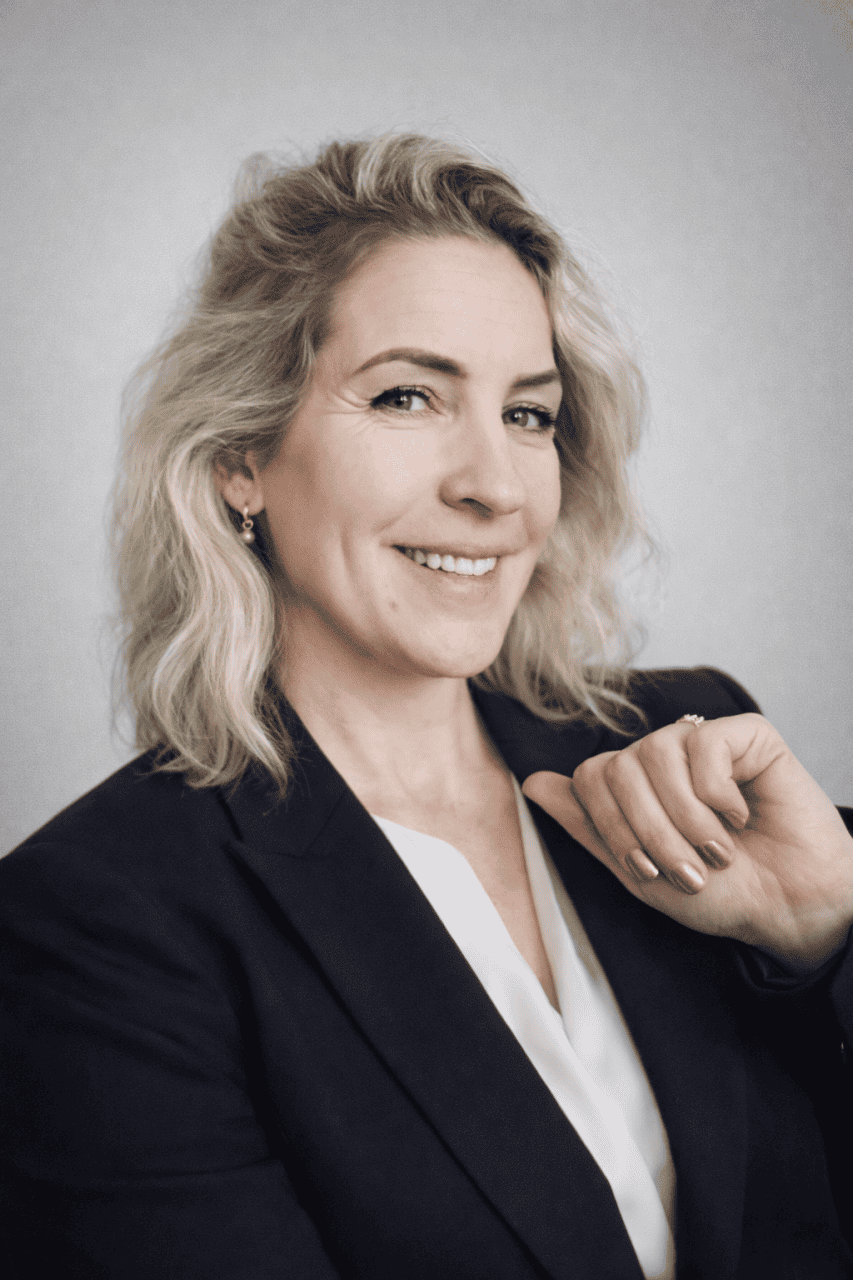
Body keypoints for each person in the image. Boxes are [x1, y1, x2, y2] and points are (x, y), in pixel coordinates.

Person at [1, 135, 851, 1280]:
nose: (493, 486)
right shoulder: (96, 925)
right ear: (242, 452)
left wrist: (828, 935)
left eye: (529, 414)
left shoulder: (694, 753)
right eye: (408, 395)